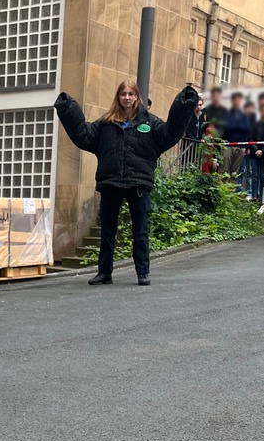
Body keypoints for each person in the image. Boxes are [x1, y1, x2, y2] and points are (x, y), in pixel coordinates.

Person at [54, 79, 199, 286]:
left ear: (137, 97)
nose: (127, 98)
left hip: (138, 183)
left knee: (140, 231)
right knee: (107, 232)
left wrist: (185, 104)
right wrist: (68, 108)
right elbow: (83, 135)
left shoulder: (150, 123)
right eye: (123, 94)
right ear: (118, 97)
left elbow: (170, 134)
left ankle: (142, 272)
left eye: (131, 94)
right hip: (111, 183)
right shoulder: (105, 124)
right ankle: (104, 273)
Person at [222, 92, 252, 181]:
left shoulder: (245, 115)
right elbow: (226, 128)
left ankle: (231, 193)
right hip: (228, 145)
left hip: (241, 145)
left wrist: (248, 147)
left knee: (235, 173)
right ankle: (222, 193)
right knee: (225, 171)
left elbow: (247, 129)